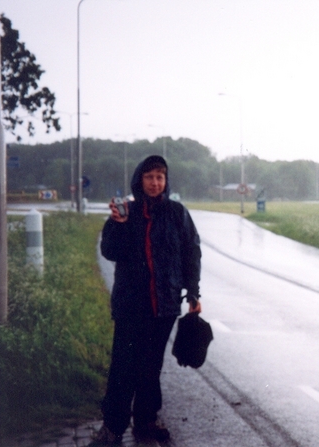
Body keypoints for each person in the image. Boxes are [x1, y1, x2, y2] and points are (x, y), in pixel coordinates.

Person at [91, 155, 202, 445]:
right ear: (140, 180)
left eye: (160, 177)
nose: (155, 183)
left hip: (164, 306)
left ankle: (146, 421)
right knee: (123, 367)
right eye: (150, 177)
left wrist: (193, 293)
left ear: (166, 181)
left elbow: (191, 253)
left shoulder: (177, 213)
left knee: (151, 367)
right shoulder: (126, 210)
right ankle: (113, 427)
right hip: (131, 306)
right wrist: (118, 224)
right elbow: (110, 252)